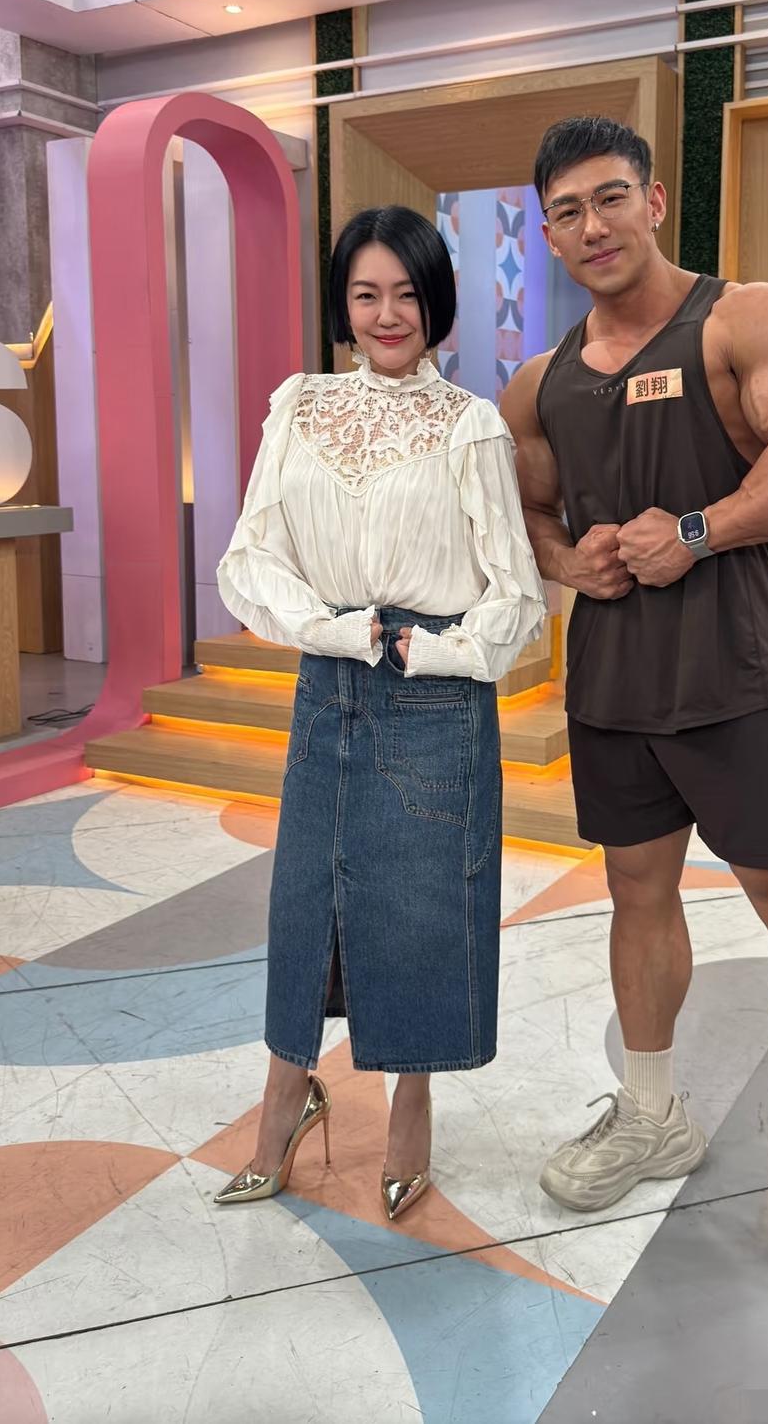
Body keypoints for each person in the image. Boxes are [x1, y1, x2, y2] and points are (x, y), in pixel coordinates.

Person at [500, 116, 768, 1319]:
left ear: (651, 201)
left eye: (608, 198)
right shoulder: (536, 382)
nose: (591, 225)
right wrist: (566, 561)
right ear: (547, 234)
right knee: (633, 891)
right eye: (565, 211)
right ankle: (651, 1113)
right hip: (611, 683)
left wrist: (697, 529)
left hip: (732, 670)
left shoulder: (752, 319)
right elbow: (522, 511)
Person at [216, 204, 546, 1221]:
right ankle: (286, 1097)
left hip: (434, 693)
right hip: (331, 678)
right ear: (343, 305)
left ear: (435, 302)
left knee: (422, 908)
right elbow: (250, 555)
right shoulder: (298, 404)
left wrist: (430, 649)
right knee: (304, 903)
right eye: (366, 293)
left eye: (406, 292)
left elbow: (516, 595)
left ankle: (412, 1103)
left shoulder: (470, 423)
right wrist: (328, 629)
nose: (387, 313)